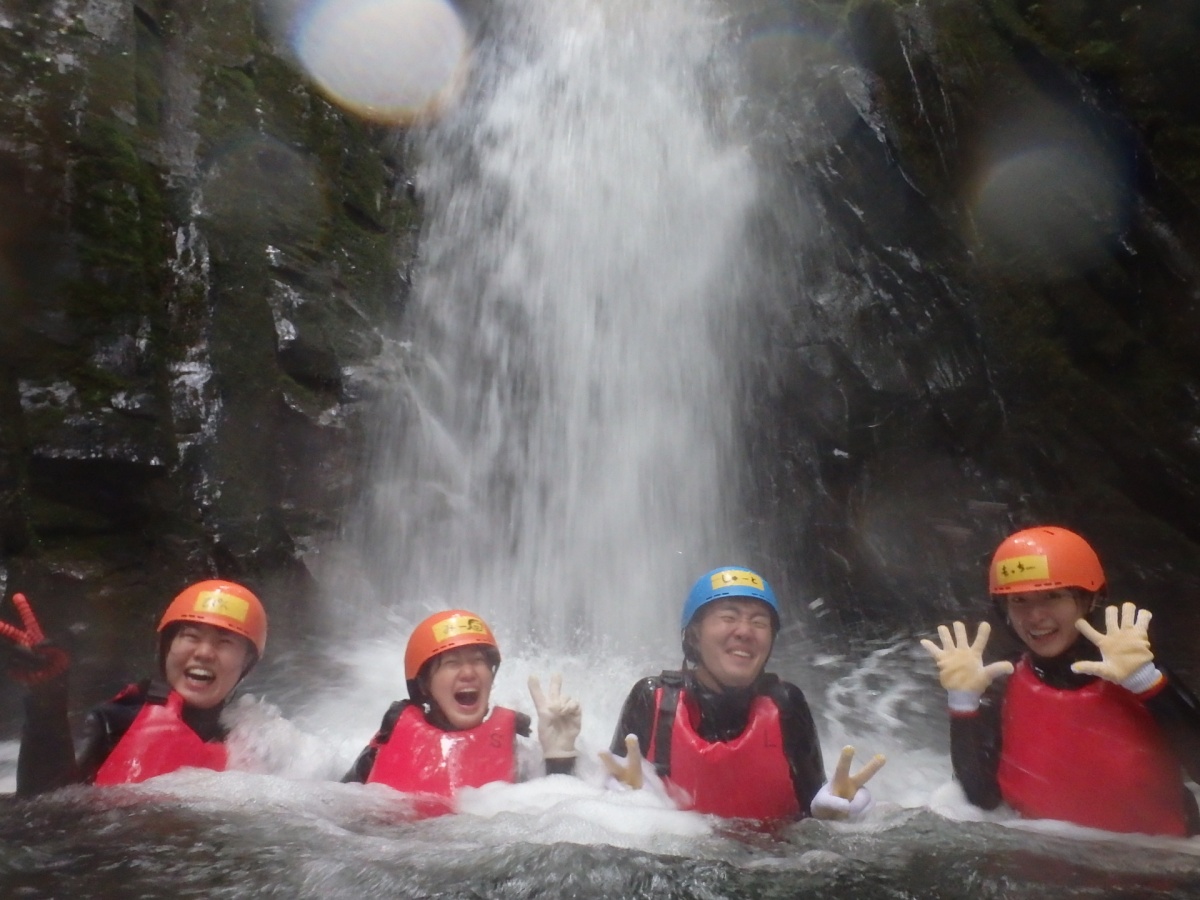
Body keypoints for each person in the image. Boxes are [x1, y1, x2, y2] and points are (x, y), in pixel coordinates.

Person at [921, 525, 1200, 836]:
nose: (1035, 616)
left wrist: (1147, 681)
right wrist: (963, 702)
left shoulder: (1135, 673)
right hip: (1046, 862)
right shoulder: (1004, 681)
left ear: (1090, 599)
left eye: (1052, 597)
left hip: (1161, 867)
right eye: (1019, 601)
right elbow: (980, 798)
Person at [602, 566, 884, 823]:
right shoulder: (651, 700)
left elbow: (814, 806)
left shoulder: (786, 704)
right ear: (694, 636)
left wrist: (837, 813)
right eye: (728, 617)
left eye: (759, 622)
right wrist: (559, 760)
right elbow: (595, 802)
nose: (745, 632)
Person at [1, 579, 268, 797]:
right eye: (191, 636)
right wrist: (47, 699)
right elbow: (45, 803)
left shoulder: (256, 742)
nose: (205, 653)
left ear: (246, 664)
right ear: (166, 648)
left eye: (224, 643)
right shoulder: (118, 720)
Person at [343, 608, 582, 815]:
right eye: (452, 663)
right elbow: (337, 811)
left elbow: (558, 819)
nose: (468, 673)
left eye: (478, 661)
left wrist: (560, 758)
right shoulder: (386, 742)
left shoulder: (520, 753)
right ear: (425, 684)